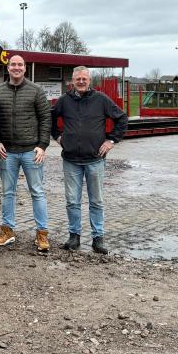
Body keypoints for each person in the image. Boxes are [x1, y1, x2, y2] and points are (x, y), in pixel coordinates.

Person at [51, 66, 128, 255]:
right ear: (72, 81)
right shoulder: (64, 101)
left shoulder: (101, 100)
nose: (81, 81)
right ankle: (74, 236)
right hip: (71, 160)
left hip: (95, 159)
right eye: (78, 79)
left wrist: (111, 140)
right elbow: (49, 118)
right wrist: (58, 137)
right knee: (72, 201)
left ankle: (98, 238)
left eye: (84, 78)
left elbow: (122, 118)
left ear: (89, 80)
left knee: (96, 201)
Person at [0, 55, 52, 252]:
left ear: (25, 69)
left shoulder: (36, 91)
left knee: (37, 191)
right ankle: (8, 231)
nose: (16, 67)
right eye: (13, 65)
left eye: (20, 65)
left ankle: (42, 234)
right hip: (7, 152)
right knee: (7, 192)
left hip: (30, 151)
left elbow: (45, 118)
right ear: (7, 68)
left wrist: (42, 145)